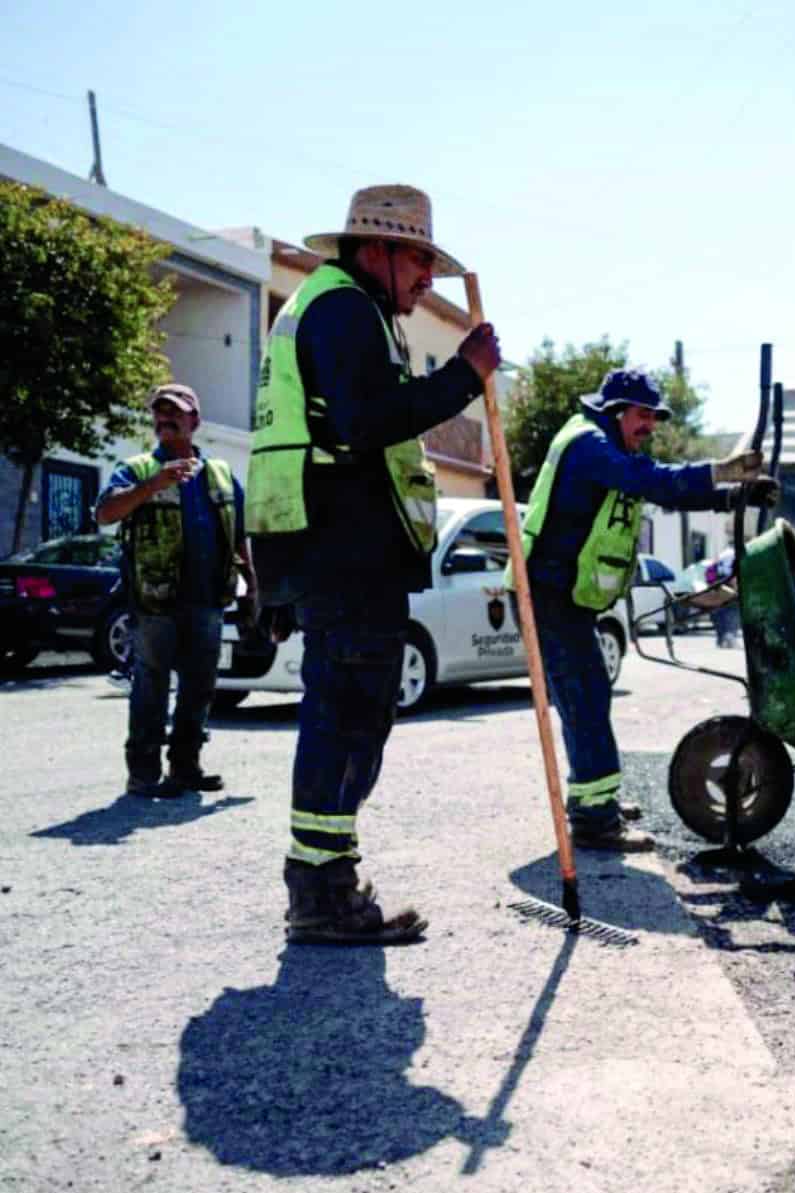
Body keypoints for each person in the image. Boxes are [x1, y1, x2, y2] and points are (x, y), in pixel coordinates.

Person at [248, 184, 502, 944]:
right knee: (348, 715)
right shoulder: (344, 309)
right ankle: (322, 896)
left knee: (351, 712)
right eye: (419, 260)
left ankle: (326, 884)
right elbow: (367, 421)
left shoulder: (339, 307)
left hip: (334, 544)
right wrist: (463, 376)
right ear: (377, 250)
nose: (426, 278)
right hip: (344, 549)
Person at [512, 369, 775, 852]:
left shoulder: (611, 449)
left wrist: (733, 497)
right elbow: (650, 481)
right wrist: (722, 471)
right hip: (547, 593)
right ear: (615, 412)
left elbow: (662, 489)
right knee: (585, 696)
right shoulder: (589, 445)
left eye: (654, 417)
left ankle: (595, 800)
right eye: (642, 415)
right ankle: (594, 820)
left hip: (564, 593)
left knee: (590, 695)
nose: (650, 426)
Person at [95, 383, 252, 798]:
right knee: (151, 685)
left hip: (208, 600)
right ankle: (144, 775)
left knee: (200, 687)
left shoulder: (220, 474)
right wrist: (153, 484)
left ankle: (186, 767)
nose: (165, 418)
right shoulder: (138, 469)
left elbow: (239, 534)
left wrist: (253, 586)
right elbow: (105, 513)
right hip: (154, 600)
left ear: (194, 421)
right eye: (159, 412)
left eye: (175, 412)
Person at [706, 548, 740, 648]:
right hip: (726, 583)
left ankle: (721, 639)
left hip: (716, 585)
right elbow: (733, 575)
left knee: (718, 611)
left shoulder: (724, 554)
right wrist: (735, 588)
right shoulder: (734, 554)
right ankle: (729, 636)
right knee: (733, 608)